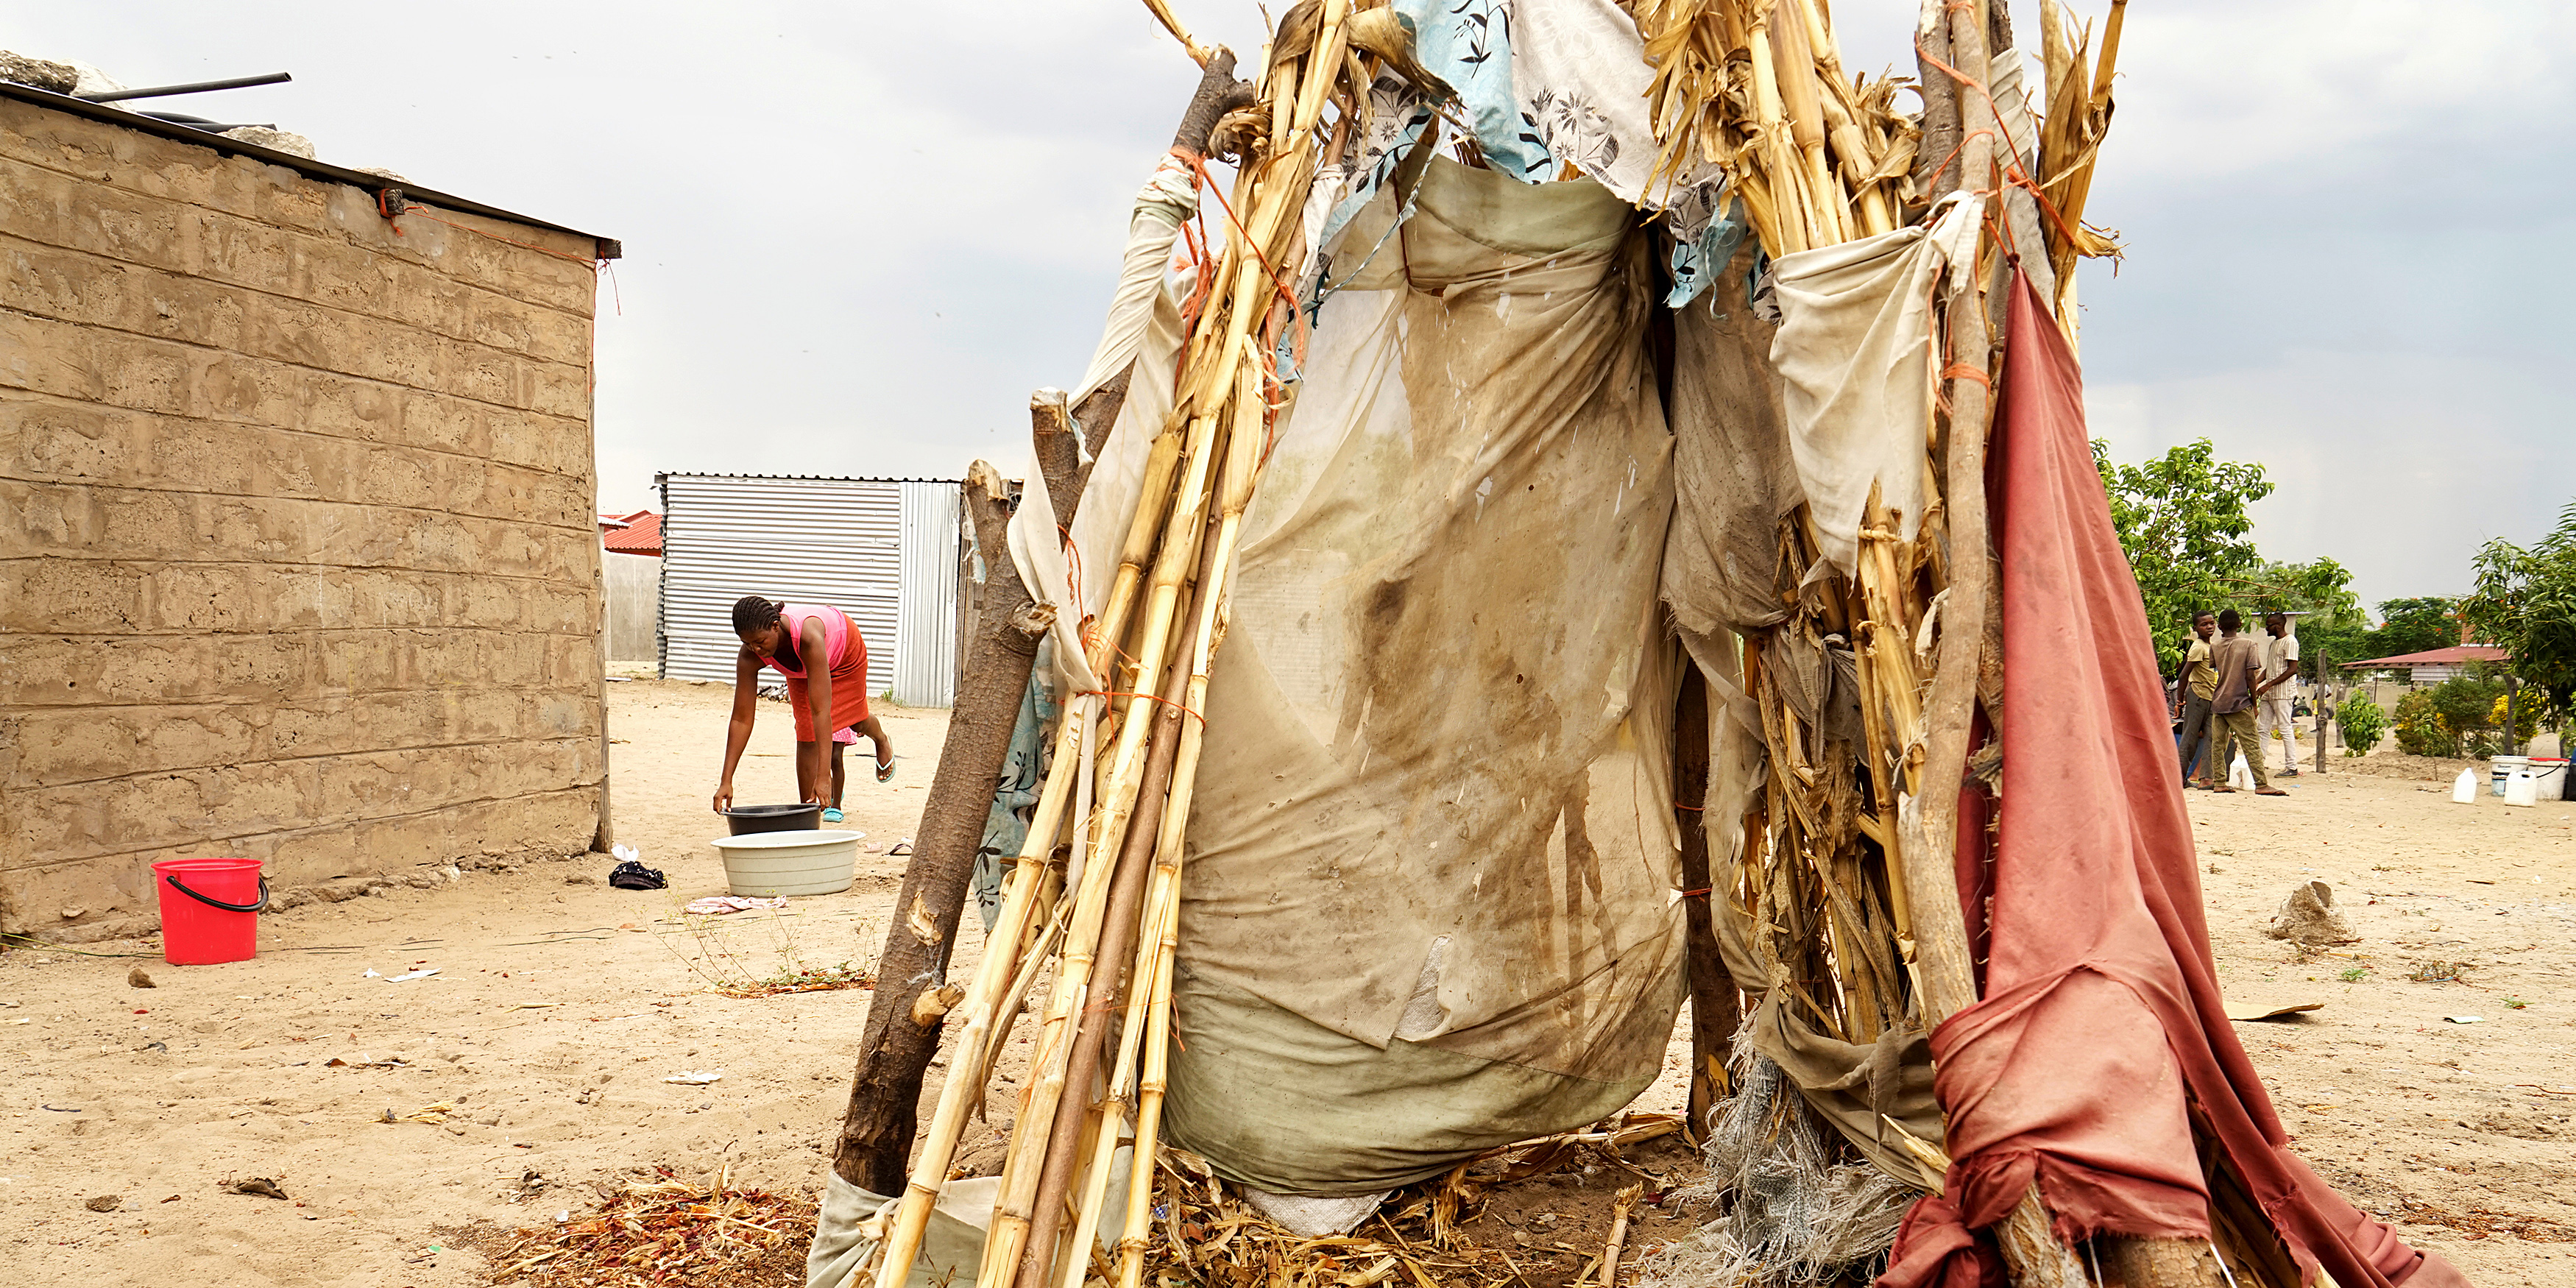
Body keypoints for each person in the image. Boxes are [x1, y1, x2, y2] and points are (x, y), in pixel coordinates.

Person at [713, 596, 893, 823]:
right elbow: (741, 719)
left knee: (854, 720)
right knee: (806, 733)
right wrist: (726, 780)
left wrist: (824, 775)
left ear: (775, 626)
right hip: (800, 666)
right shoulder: (750, 655)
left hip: (844, 651)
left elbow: (821, 711)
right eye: (748, 643)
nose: (755, 649)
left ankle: (881, 739)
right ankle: (807, 817)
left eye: (760, 642)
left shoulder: (808, 637)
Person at [2208, 609, 2285, 796]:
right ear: (2240, 624)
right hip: (2239, 701)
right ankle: (2261, 783)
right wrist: (2254, 703)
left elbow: (2216, 670)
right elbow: (2251, 676)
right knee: (2251, 743)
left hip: (2219, 701)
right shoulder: (2248, 645)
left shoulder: (2215, 646)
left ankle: (2219, 781)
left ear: (2219, 627)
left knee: (2218, 744)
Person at [2175, 612, 2220, 788]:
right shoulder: (2198, 647)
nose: (2209, 627)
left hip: (2211, 697)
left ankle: (2206, 778)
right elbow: (2184, 675)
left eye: (2212, 623)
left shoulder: (2212, 646)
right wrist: (2180, 701)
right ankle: (2179, 778)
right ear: (2196, 629)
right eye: (2204, 625)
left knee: (2211, 738)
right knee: (2190, 738)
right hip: (2198, 696)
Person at [2258, 611, 2304, 777]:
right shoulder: (2274, 644)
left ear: (2278, 626)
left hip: (2283, 693)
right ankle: (2258, 763)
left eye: (2269, 625)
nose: (2266, 628)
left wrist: (2267, 685)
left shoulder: (2290, 641)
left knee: (2285, 728)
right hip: (2269, 693)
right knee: (2262, 728)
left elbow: (2292, 669)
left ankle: (2292, 767)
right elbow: (2269, 668)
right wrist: (2257, 682)